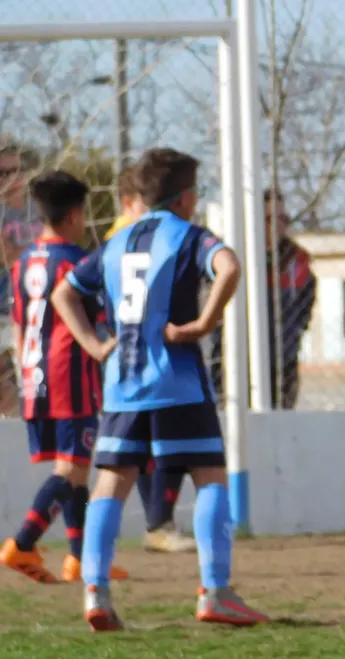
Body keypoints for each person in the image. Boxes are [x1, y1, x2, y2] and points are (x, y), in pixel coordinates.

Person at [52, 147, 268, 631]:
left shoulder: (115, 243)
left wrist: (93, 345)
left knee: (111, 480)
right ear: (187, 196)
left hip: (122, 385)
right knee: (210, 473)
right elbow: (229, 267)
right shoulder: (189, 237)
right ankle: (216, 592)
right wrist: (202, 323)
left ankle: (95, 594)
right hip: (178, 381)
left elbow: (64, 292)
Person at [0, 171, 128, 584]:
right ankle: (22, 543)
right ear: (75, 214)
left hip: (34, 375)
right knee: (71, 468)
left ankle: (78, 557)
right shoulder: (79, 264)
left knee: (73, 466)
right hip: (71, 375)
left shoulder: (23, 264)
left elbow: (20, 322)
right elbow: (100, 319)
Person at [106, 165, 195, 554]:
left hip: (132, 357)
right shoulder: (130, 237)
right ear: (131, 203)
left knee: (146, 449)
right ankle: (157, 523)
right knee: (151, 447)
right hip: (139, 359)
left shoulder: (132, 236)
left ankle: (157, 523)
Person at [210, 189, 316, 410]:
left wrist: (295, 331)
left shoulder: (296, 261)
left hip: (281, 361)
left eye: (282, 218)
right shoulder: (232, 257)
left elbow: (306, 300)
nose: (277, 225)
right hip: (235, 359)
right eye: (269, 219)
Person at [0, 145, 43, 417]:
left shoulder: (40, 209)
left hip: (39, 300)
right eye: (1, 173)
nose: (7, 179)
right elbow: (5, 256)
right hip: (5, 304)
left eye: (12, 171)